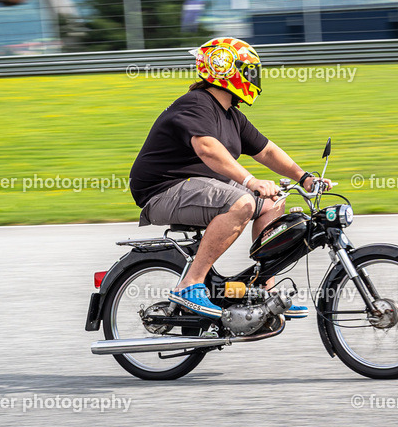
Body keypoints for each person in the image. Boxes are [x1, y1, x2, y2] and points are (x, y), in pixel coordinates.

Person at [129, 37, 323, 319]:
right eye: (249, 72)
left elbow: (266, 151)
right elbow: (207, 149)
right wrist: (250, 181)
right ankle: (190, 284)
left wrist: (303, 176)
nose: (254, 79)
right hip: (163, 190)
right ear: (225, 69)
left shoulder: (231, 115)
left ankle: (262, 286)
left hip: (195, 187)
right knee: (243, 202)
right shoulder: (197, 103)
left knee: (272, 202)